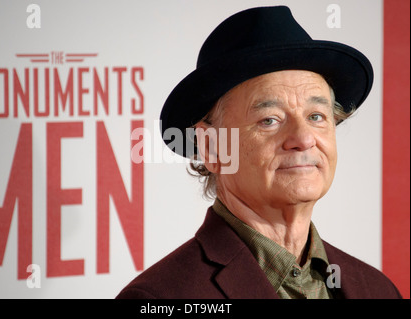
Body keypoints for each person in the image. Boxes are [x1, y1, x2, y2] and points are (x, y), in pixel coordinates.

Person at [116, 6, 402, 299]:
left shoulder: (377, 289)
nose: (303, 138)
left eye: (316, 116)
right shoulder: (158, 299)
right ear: (213, 147)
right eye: (270, 120)